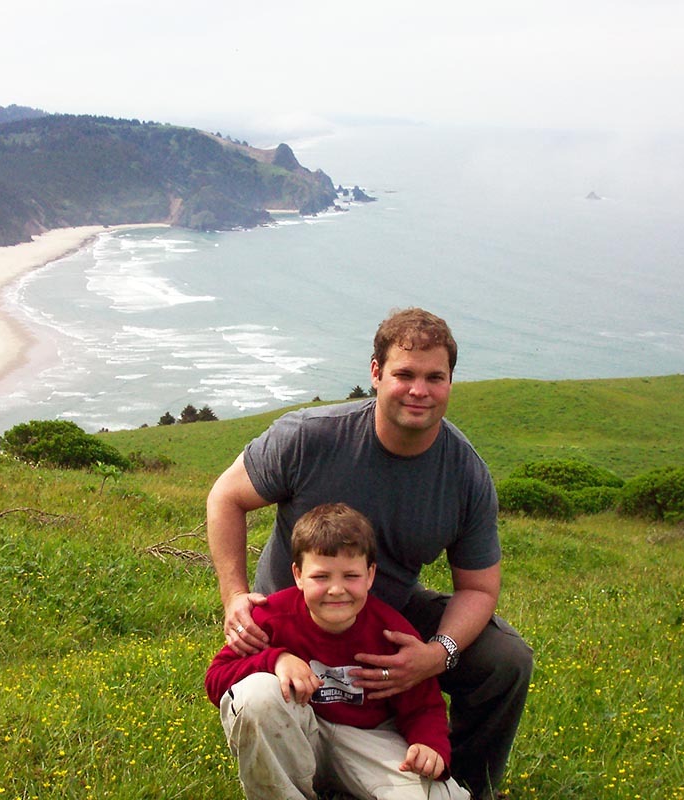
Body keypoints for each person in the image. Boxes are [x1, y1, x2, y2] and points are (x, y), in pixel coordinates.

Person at [207, 307, 532, 800]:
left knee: (505, 657)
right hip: (289, 623)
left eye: (434, 377)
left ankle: (455, 777)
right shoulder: (308, 437)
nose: (418, 390)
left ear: (450, 381)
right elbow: (225, 498)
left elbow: (479, 587)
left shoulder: (465, 474)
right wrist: (235, 597)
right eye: (404, 374)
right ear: (376, 373)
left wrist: (434, 655)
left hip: (384, 617)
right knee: (258, 698)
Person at [206, 502, 469, 800]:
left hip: (366, 740)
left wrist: (429, 745)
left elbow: (424, 706)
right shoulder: (271, 618)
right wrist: (276, 659)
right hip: (296, 735)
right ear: (298, 575)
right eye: (321, 577)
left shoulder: (392, 631)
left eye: (351, 576)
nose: (336, 589)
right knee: (256, 695)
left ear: (370, 575)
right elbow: (216, 679)